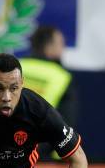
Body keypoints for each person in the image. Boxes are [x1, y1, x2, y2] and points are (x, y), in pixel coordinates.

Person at [20, 26, 78, 160]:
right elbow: (67, 121)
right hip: (40, 152)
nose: (63, 49)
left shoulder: (14, 67)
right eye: (61, 44)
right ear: (49, 47)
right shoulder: (62, 76)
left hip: (3, 147)